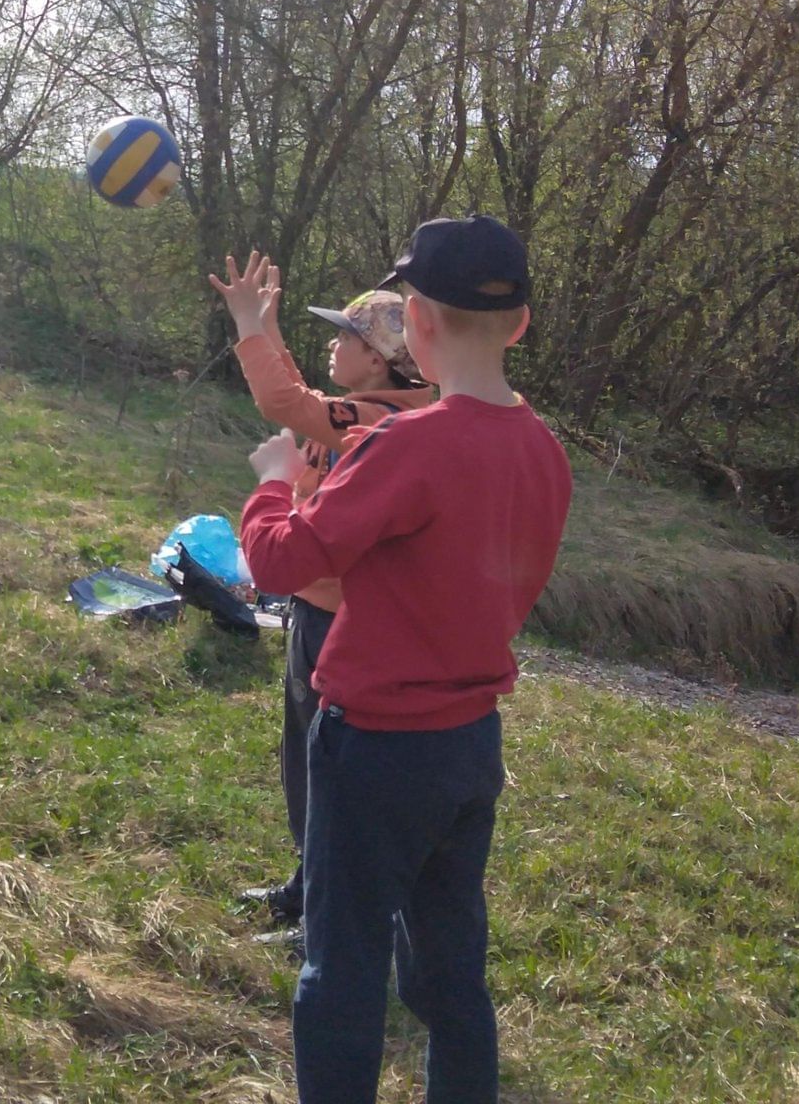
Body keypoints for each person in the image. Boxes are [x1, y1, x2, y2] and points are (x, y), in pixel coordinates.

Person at [237, 216, 573, 1104]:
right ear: (522, 324)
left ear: (417, 326)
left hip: (376, 745)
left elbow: (278, 562)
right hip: (471, 747)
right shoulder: (544, 448)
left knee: (340, 970)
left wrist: (274, 478)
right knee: (448, 971)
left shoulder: (406, 445)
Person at [208, 253, 433, 935]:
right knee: (304, 758)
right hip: (315, 609)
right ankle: (309, 887)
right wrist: (269, 330)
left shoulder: (383, 416)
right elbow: (304, 396)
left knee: (330, 772)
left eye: (347, 337)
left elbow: (286, 403)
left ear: (381, 359)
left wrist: (250, 327)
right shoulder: (366, 404)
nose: (334, 344)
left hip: (339, 623)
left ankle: (331, 913)